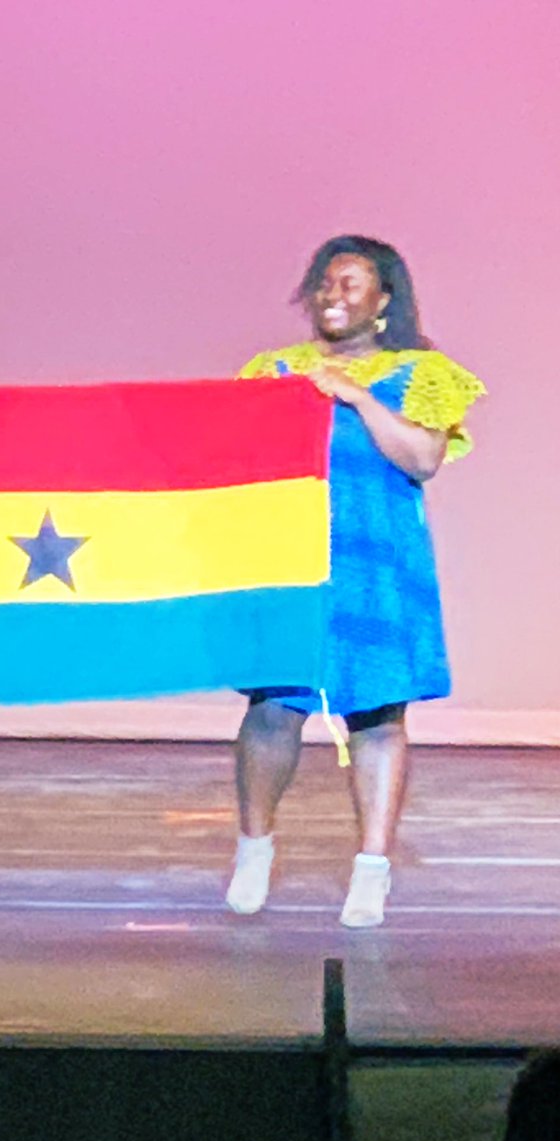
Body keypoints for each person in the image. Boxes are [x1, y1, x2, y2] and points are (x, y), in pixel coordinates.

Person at [224, 235, 484, 929]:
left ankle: (372, 869)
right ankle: (254, 848)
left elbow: (422, 458)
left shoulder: (423, 372)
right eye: (323, 283)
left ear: (384, 300)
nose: (331, 296)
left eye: (349, 284)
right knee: (273, 708)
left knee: (377, 714)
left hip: (377, 568)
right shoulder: (275, 370)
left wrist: (357, 396)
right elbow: (236, 457)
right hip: (292, 561)